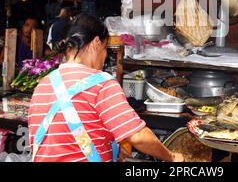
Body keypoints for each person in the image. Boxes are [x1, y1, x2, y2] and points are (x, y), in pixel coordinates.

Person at [28, 13, 184, 162]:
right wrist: (172, 157)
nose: (104, 58)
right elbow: (139, 137)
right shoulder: (101, 83)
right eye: (105, 50)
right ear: (96, 43)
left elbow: (63, 136)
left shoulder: (43, 84)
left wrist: (115, 145)